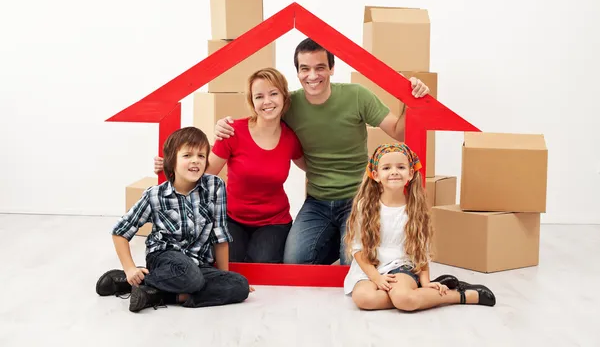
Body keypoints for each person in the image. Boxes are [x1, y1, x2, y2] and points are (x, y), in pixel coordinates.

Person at [215, 38, 431, 266]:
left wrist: (412, 99)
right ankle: (340, 240)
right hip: (317, 201)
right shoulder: (290, 104)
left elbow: (399, 132)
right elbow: (260, 118)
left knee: (354, 267)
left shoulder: (357, 96)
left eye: (320, 68)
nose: (312, 75)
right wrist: (223, 126)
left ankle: (348, 244)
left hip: (357, 197)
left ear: (332, 68)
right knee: (294, 264)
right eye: (305, 69)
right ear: (297, 73)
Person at [154, 68, 305, 264]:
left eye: (273, 93)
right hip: (232, 218)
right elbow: (204, 172)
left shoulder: (290, 138)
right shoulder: (233, 132)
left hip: (274, 222)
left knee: (262, 265)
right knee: (229, 263)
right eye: (259, 96)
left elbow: (311, 167)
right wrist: (171, 167)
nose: (267, 101)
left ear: (284, 96)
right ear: (252, 102)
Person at [96, 127, 251, 313]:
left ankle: (157, 293)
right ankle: (131, 278)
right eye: (187, 155)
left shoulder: (215, 186)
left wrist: (223, 278)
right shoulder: (156, 195)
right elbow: (120, 231)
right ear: (172, 160)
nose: (196, 160)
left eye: (201, 156)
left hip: (199, 263)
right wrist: (129, 269)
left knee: (240, 286)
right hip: (165, 257)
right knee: (191, 277)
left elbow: (220, 236)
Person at [343, 142, 496, 311]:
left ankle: (460, 295)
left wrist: (426, 282)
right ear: (376, 175)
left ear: (410, 173)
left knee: (403, 299)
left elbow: (420, 249)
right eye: (386, 168)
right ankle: (420, 295)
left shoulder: (414, 207)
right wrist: (376, 278)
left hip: (401, 266)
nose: (394, 172)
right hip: (371, 267)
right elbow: (357, 249)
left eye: (400, 167)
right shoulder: (365, 206)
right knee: (364, 299)